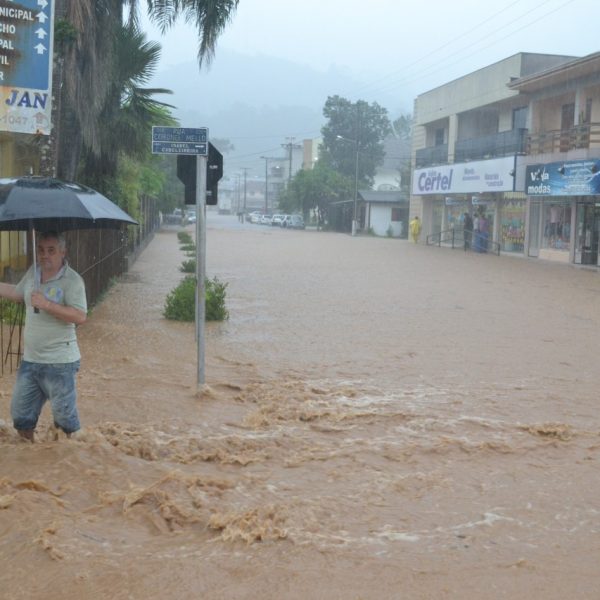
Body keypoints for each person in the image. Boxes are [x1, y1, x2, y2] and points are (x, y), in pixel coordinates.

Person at [0, 231, 87, 442]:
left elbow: (80, 315)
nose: (45, 255)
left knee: (65, 424)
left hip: (60, 363)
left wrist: (47, 304)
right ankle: (31, 460)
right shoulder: (33, 273)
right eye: (41, 250)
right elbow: (18, 294)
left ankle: (74, 464)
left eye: (51, 250)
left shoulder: (72, 280)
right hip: (31, 360)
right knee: (21, 417)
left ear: (62, 252)